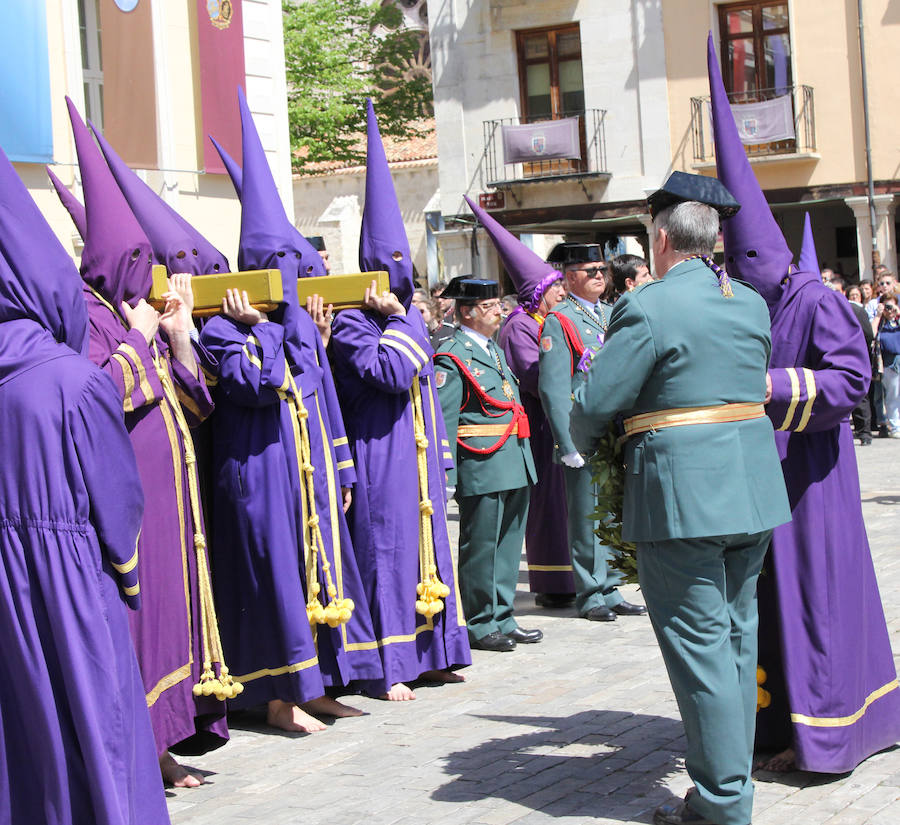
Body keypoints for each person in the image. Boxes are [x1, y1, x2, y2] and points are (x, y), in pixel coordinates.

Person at [571, 171, 791, 825]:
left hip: (683, 499)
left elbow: (595, 403)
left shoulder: (648, 305)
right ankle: (729, 789)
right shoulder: (749, 302)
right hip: (749, 494)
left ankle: (724, 803)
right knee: (734, 642)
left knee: (701, 652)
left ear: (661, 238)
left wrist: (589, 427)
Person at [708, 36, 900, 776]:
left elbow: (852, 382)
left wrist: (777, 388)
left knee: (815, 595)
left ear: (767, 258)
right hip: (763, 473)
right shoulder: (747, 304)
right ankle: (777, 725)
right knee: (769, 600)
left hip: (814, 474)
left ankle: (829, 729)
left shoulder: (818, 302)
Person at [201, 89, 384, 731]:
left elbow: (326, 401)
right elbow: (259, 385)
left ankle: (320, 684)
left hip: (311, 476)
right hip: (259, 477)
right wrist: (263, 330)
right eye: (273, 264)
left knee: (321, 571)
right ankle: (277, 697)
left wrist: (343, 471)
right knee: (276, 578)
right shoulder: (227, 331)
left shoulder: (303, 325)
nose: (287, 273)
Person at [0, 142, 171, 825]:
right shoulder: (71, 381)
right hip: (69, 580)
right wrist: (126, 576)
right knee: (98, 724)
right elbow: (118, 503)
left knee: (24, 735)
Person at [65, 99, 235, 786]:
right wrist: (140, 335)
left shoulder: (136, 311)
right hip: (129, 505)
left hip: (175, 500)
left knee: (175, 615)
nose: (148, 267)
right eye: (135, 256)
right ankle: (149, 748)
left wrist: (178, 337)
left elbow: (194, 400)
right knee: (143, 622)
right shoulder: (87, 315)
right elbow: (99, 391)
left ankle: (173, 735)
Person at [330, 100, 470, 698]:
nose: (399, 278)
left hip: (417, 456)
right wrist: (402, 323)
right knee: (385, 552)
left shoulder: (400, 317)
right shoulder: (351, 324)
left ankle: (434, 649)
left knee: (430, 546)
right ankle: (387, 665)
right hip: (378, 453)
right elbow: (390, 373)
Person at [465, 195, 576, 607]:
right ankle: (553, 581)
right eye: (555, 288)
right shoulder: (519, 327)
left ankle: (575, 577)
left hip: (559, 418)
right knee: (548, 505)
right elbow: (533, 375)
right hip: (540, 425)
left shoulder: (552, 321)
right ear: (539, 293)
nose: (562, 293)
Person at [538, 242, 646, 622]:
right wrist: (566, 442)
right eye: (590, 271)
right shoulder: (560, 319)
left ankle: (612, 584)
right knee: (586, 516)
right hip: (582, 431)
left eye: (602, 270)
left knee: (612, 511)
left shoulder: (610, 313)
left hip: (614, 429)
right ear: (569, 278)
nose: (600, 276)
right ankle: (590, 591)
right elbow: (553, 387)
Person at [435, 277, 541, 651]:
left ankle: (503, 615)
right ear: (467, 312)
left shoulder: (491, 348)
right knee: (481, 546)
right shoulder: (452, 355)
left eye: (498, 304)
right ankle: (480, 623)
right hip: (480, 462)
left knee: (509, 544)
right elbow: (445, 419)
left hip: (512, 456)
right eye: (489, 306)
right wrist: (445, 474)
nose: (499, 311)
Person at [876, 294, 900, 437]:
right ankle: (895, 426)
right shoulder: (880, 323)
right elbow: (871, 333)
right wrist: (879, 315)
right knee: (893, 395)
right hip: (888, 363)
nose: (890, 310)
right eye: (887, 306)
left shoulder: (897, 321)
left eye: (892, 306)